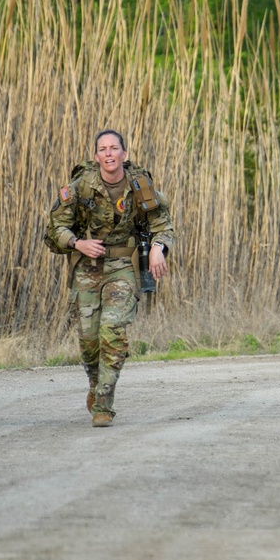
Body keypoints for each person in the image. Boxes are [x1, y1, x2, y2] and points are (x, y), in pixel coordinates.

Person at [46, 130, 175, 427]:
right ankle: (95, 382)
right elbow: (56, 227)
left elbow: (163, 224)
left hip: (123, 266)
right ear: (96, 157)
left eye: (114, 148)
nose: (108, 154)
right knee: (89, 339)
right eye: (102, 149)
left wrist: (158, 247)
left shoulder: (140, 187)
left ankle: (104, 401)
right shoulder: (80, 187)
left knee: (113, 330)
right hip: (88, 266)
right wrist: (78, 243)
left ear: (124, 154)